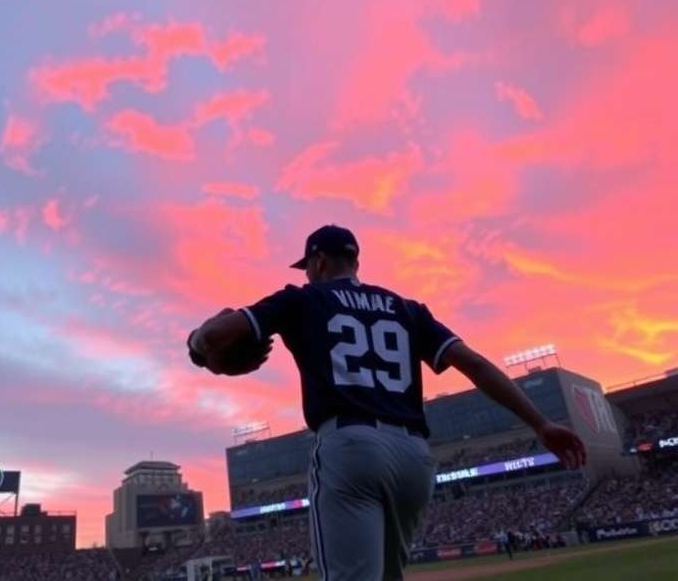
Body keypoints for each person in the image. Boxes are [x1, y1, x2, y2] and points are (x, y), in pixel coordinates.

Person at [189, 224, 587, 581]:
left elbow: (212, 338)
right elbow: (476, 365)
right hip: (414, 457)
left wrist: (198, 344)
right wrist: (541, 424)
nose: (308, 273)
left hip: (350, 446)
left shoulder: (303, 299)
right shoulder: (407, 308)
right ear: (356, 261)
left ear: (320, 260)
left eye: (308, 265)